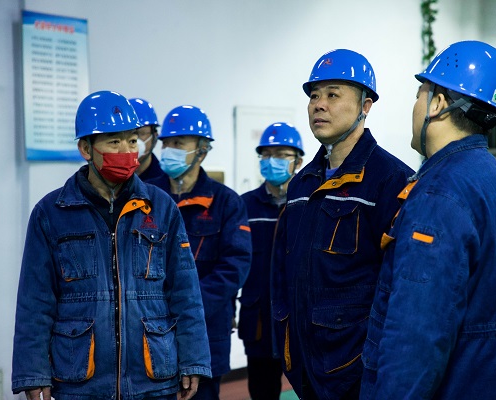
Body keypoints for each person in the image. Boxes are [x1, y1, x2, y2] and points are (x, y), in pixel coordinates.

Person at [11, 90, 211, 400]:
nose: (126, 150)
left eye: (132, 141)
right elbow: (35, 301)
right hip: (80, 380)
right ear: (85, 149)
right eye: (114, 141)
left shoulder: (161, 208)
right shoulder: (51, 213)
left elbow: (185, 291)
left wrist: (193, 360)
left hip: (153, 377)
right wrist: (33, 372)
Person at [359, 40, 496, 399]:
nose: (415, 106)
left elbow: (416, 335)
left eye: (419, 95)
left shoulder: (439, 194)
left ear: (437, 104)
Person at [271, 49, 414, 400]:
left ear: (365, 106)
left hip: (359, 371)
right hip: (305, 368)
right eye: (314, 96)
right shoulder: (301, 184)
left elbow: (401, 287)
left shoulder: (391, 181)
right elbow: (282, 274)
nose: (319, 105)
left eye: (333, 95)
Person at [148, 105, 252, 399]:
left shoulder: (226, 202)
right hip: (150, 329)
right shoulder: (145, 196)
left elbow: (235, 265)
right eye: (166, 143)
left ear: (202, 151)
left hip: (206, 331)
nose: (169, 150)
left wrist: (189, 304)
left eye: (179, 143)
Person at [238, 122, 304, 400]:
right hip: (258, 319)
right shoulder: (243, 205)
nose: (271, 161)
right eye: (266, 155)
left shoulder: (308, 203)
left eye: (280, 155)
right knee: (262, 391)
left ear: (298, 161)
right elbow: (234, 261)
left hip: (299, 319)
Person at [128, 97, 166, 182]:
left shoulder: (166, 181)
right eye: (128, 134)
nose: (134, 140)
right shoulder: (108, 178)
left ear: (155, 137)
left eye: (141, 133)